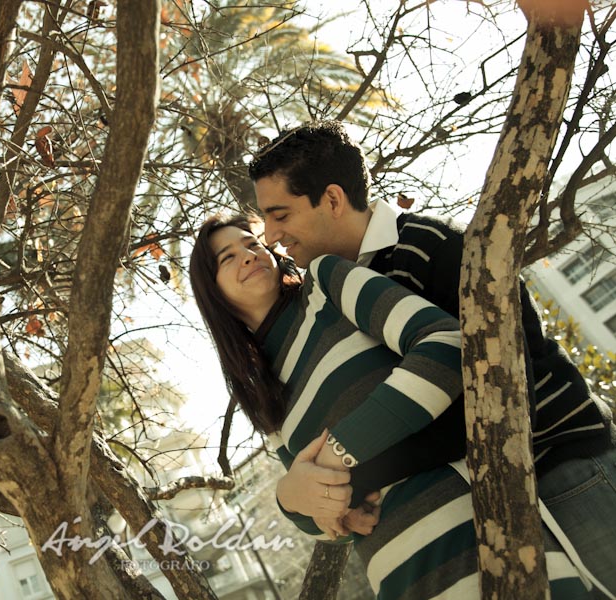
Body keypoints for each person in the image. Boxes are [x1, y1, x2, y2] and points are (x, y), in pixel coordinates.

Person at [247, 120, 616, 592]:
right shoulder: (335, 298)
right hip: (495, 504)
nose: (271, 236)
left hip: (566, 470)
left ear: (333, 200)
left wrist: (354, 477)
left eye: (280, 214)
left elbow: (487, 383)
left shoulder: (432, 246)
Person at [189, 214, 592, 598]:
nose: (249, 255)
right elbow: (329, 521)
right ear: (212, 290)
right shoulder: (260, 393)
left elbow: (447, 344)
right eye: (228, 257)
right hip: (401, 578)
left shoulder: (326, 283)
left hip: (486, 537)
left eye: (253, 244)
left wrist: (339, 450)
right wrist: (292, 502)